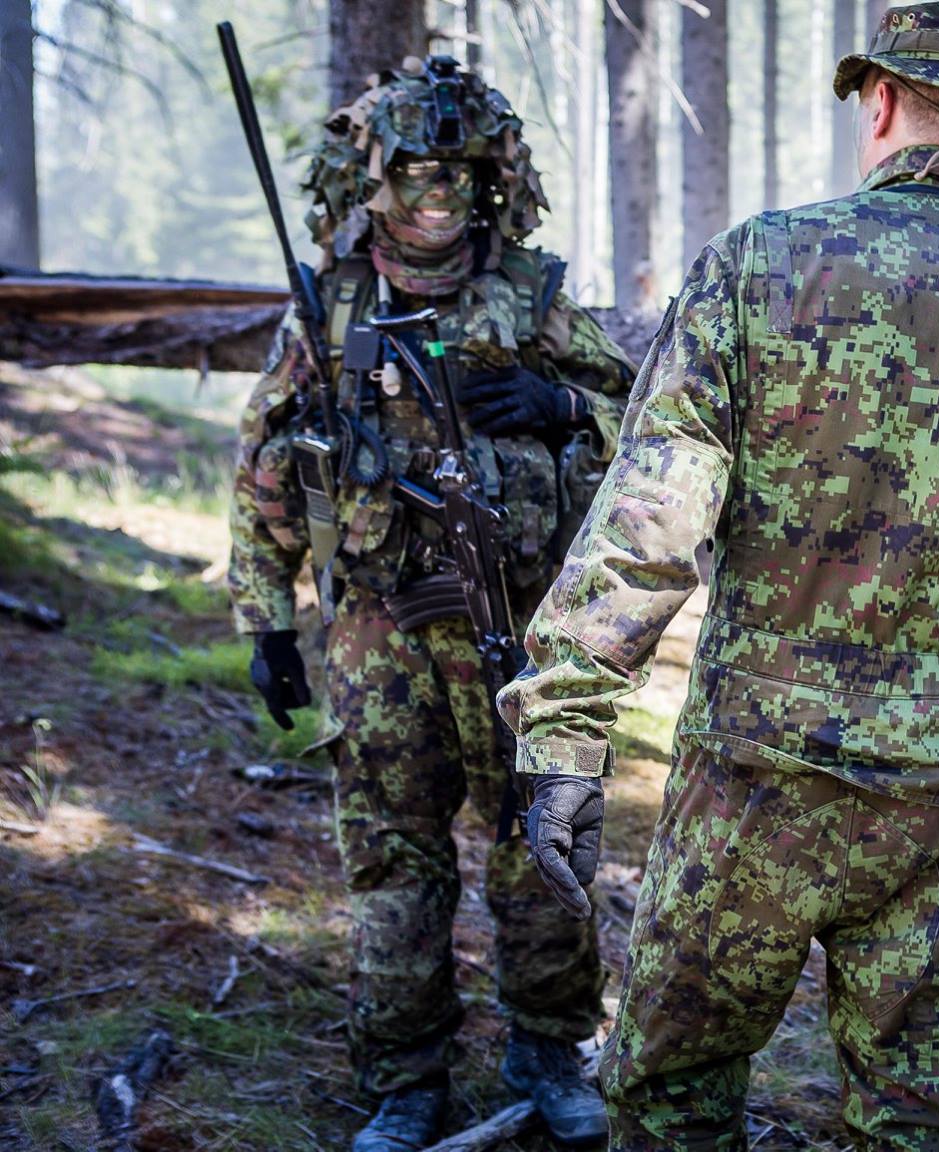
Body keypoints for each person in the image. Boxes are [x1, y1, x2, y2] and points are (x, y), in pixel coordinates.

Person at [495, 4, 939, 1147]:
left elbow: (647, 521)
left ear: (879, 102)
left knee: (670, 1098)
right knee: (912, 1121)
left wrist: (563, 731)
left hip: (751, 788)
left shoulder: (761, 265)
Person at [227, 56, 632, 1152]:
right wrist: (266, 620)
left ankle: (550, 1049)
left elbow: (645, 425)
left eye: (456, 168)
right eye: (413, 168)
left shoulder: (533, 296)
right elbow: (264, 468)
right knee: (393, 860)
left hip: (521, 632)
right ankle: (403, 1076)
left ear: (490, 177)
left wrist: (558, 404)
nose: (436, 190)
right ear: (375, 179)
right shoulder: (329, 308)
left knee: (545, 846)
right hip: (377, 633)